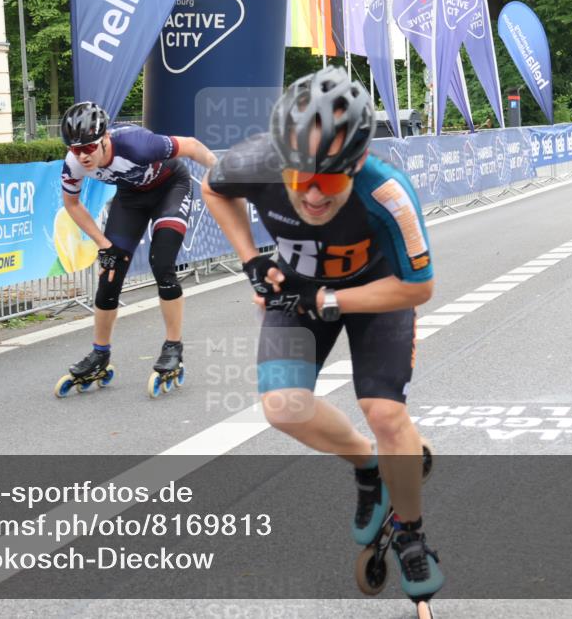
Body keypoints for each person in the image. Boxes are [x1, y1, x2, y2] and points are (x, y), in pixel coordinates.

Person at [202, 67, 444, 602]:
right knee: (282, 407)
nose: (312, 195)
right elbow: (213, 189)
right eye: (299, 178)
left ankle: (411, 533)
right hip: (297, 288)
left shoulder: (387, 190)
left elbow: (420, 287)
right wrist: (250, 260)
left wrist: (328, 300)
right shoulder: (256, 160)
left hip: (379, 293)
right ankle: (368, 465)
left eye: (330, 181)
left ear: (357, 163)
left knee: (385, 414)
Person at [59, 101, 217, 391]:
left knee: (162, 263)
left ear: (105, 138)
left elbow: (192, 146)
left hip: (170, 187)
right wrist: (103, 244)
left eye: (89, 147)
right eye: (75, 149)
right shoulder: (74, 163)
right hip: (131, 198)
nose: (82, 156)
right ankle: (100, 354)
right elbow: (71, 203)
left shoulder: (137, 144)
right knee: (110, 274)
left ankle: (173, 347)